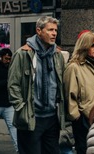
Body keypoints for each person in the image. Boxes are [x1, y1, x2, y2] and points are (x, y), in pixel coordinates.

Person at [8, 16, 65, 154]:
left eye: (55, 30)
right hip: (32, 118)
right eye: (50, 30)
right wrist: (22, 108)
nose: (54, 33)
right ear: (38, 31)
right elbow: (13, 85)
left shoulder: (57, 54)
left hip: (52, 118)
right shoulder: (23, 54)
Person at [63, 30, 94, 154]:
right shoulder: (74, 67)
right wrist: (77, 117)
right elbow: (69, 95)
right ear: (84, 46)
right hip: (84, 120)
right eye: (92, 45)